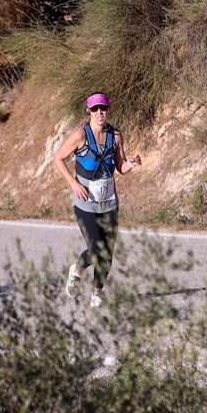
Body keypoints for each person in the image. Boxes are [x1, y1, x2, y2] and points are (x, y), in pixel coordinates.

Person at [52, 91, 142, 307]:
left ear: (108, 109)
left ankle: (96, 293)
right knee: (96, 249)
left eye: (103, 108)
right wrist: (73, 183)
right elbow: (58, 159)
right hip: (85, 202)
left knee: (107, 251)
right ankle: (77, 270)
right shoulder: (79, 136)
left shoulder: (116, 135)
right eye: (95, 109)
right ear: (89, 111)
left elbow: (120, 168)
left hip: (109, 201)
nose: (100, 112)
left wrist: (131, 163)